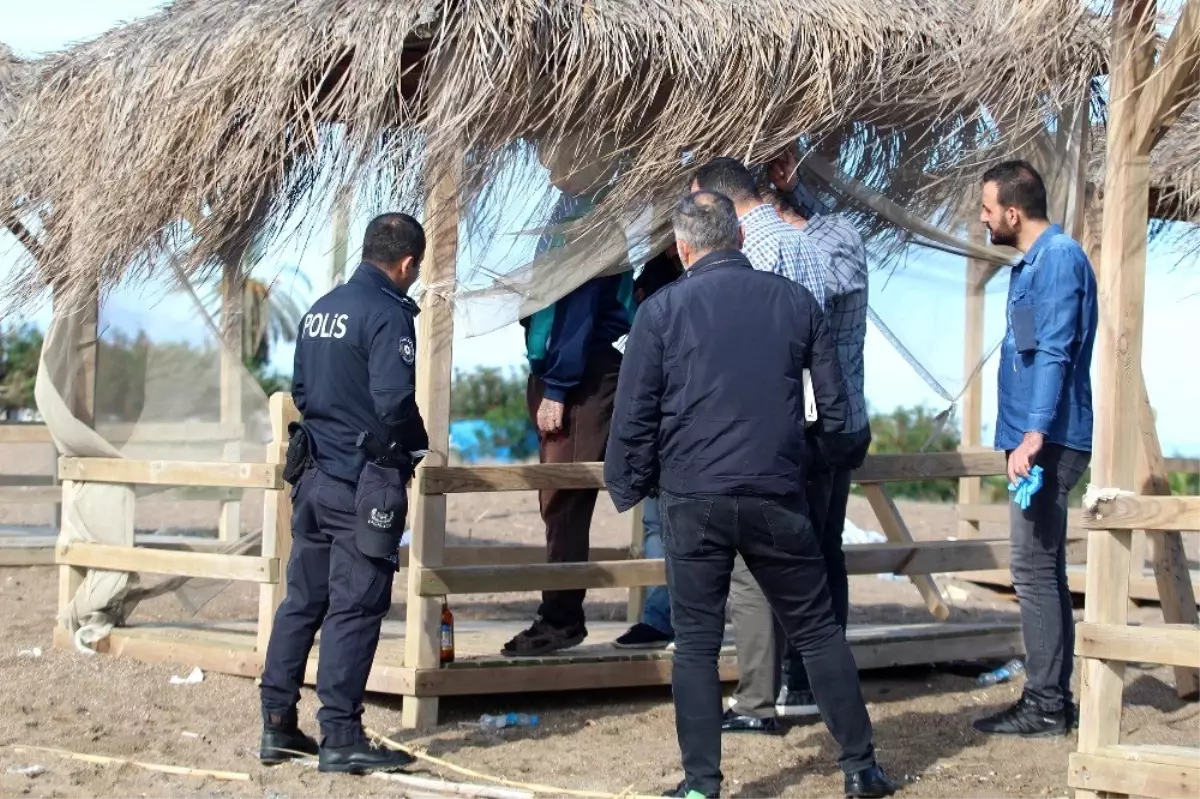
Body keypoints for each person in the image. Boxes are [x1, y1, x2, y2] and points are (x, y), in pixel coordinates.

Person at [605, 190, 899, 799]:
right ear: (739, 238)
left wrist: (631, 486)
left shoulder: (660, 312)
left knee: (696, 645)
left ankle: (700, 785)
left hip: (693, 498)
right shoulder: (795, 304)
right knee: (818, 631)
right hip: (777, 492)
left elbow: (632, 418)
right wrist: (807, 464)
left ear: (684, 249)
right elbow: (839, 414)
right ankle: (861, 768)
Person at [258, 213, 430, 774]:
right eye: (416, 270)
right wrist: (417, 446)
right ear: (407, 264)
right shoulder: (387, 315)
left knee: (301, 602)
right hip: (363, 484)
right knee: (356, 607)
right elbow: (393, 403)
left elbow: (302, 391)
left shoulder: (319, 310)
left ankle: (277, 725)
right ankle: (340, 736)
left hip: (312, 480)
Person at [690, 156, 834, 731]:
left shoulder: (758, 252)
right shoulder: (803, 243)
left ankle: (755, 702)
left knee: (750, 573)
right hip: (799, 425)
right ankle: (788, 689)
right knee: (794, 569)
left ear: (721, 205)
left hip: (755, 431)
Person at [737, 169, 871, 720]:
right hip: (842, 418)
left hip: (821, 423)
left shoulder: (814, 247)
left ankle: (806, 677)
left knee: (808, 554)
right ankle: (807, 677)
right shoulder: (834, 236)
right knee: (823, 550)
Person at [972, 159, 1096, 737]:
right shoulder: (1032, 265)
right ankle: (1052, 700)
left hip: (1049, 439)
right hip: (1035, 437)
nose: (982, 218)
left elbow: (1053, 351)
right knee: (1042, 567)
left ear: (1013, 213)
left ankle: (1046, 705)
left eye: (987, 209)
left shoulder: (1059, 259)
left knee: (1033, 569)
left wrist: (1033, 433)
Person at [502, 185, 637, 657]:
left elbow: (578, 308)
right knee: (553, 498)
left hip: (580, 372)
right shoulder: (568, 214)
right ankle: (558, 611)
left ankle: (561, 618)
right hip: (560, 368)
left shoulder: (590, 218)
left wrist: (558, 386)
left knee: (563, 497)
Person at [614, 244, 685, 649]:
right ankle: (662, 616)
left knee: (675, 527)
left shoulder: (694, 282)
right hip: (660, 421)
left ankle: (666, 617)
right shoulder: (655, 274)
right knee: (656, 524)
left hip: (681, 423)